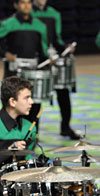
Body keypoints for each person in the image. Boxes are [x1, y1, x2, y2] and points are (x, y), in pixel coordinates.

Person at [31, 0, 80, 140]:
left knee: (63, 93)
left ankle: (66, 127)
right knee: (35, 98)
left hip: (53, 56)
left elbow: (56, 39)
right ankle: (33, 132)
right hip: (37, 57)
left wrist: (66, 48)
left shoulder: (54, 14)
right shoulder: (29, 13)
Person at [0, 0, 49, 131]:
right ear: (15, 5)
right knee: (11, 106)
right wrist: (5, 53)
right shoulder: (7, 24)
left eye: (29, 2)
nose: (26, 5)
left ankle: (31, 137)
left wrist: (48, 59)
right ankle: (7, 139)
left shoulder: (40, 26)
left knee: (33, 106)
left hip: (33, 72)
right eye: (22, 2)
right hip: (13, 72)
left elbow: (43, 50)